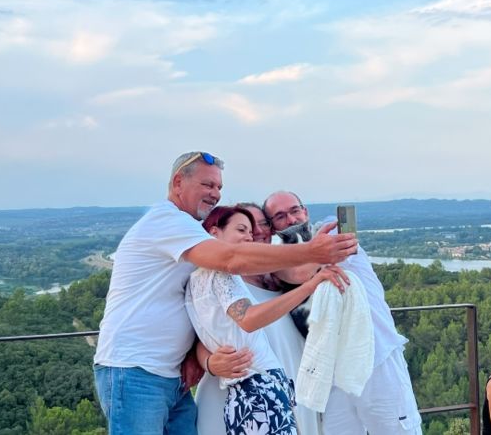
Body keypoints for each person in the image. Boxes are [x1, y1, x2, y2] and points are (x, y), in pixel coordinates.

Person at [93, 152, 358, 434]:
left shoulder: (192, 236)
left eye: (219, 187)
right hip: (136, 371)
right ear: (178, 182)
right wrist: (309, 251)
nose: (215, 193)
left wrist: (197, 357)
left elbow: (204, 309)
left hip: (172, 377)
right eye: (207, 185)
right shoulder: (166, 221)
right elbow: (231, 259)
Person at [264, 190, 422, 435]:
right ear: (272, 226)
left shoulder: (332, 231)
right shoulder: (278, 264)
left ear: (305, 211)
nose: (291, 220)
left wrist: (296, 259)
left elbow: (299, 273)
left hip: (376, 357)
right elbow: (288, 272)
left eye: (295, 211)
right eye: (280, 216)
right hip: (332, 372)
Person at [186, 206, 345, 435]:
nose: (252, 235)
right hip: (255, 384)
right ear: (214, 233)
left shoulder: (203, 277)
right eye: (242, 228)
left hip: (260, 387)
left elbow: (296, 273)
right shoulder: (222, 275)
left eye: (261, 226)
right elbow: (244, 321)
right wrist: (313, 272)